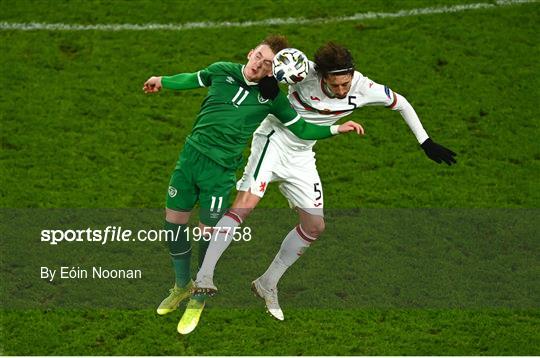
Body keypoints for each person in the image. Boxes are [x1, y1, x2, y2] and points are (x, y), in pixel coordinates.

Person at [191, 42, 457, 321]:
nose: (341, 90)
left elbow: (401, 103)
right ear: (322, 76)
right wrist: (269, 84)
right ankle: (204, 276)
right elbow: (276, 60)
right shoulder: (305, 73)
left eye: (345, 84)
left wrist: (425, 141)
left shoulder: (364, 88)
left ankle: (267, 283)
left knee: (314, 226)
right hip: (274, 141)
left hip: (303, 153)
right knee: (245, 205)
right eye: (335, 85)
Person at [143, 37, 364, 334]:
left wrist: (337, 128)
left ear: (274, 72)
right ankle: (181, 285)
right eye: (258, 56)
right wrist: (163, 81)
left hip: (220, 172)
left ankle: (198, 298)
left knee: (208, 233)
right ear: (250, 53)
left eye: (268, 64)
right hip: (189, 159)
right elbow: (194, 78)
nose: (259, 64)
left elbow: (301, 128)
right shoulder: (222, 70)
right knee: (173, 225)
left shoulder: (272, 98)